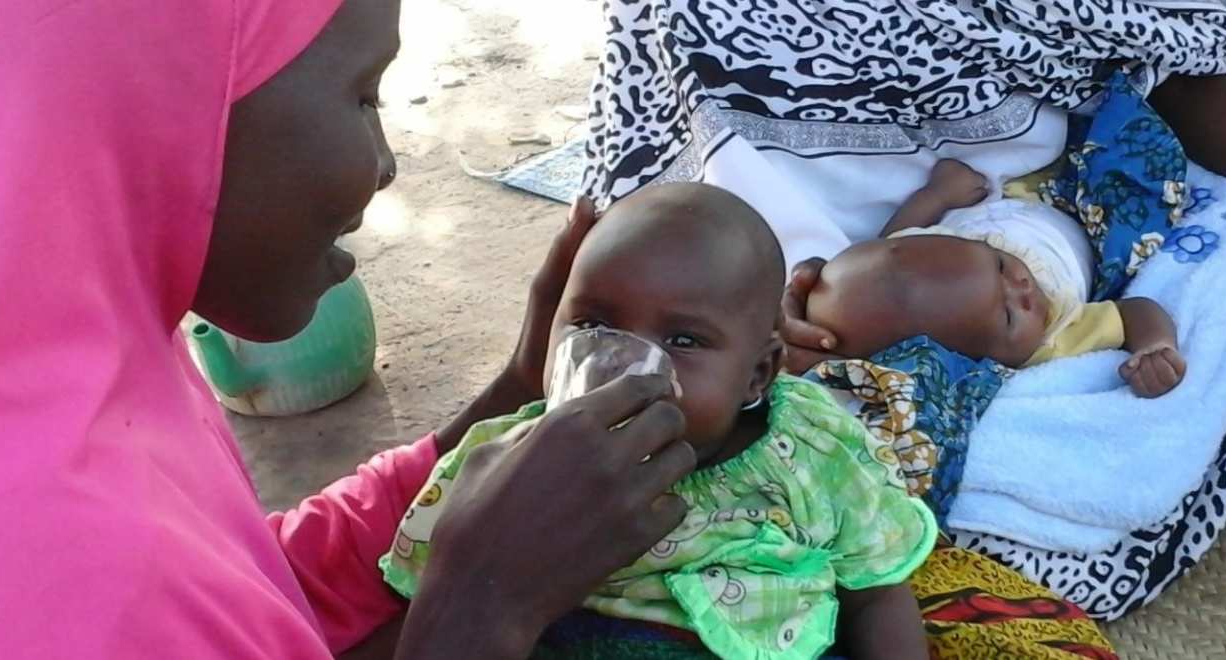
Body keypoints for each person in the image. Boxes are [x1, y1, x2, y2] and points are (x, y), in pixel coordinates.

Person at [577, 0, 1226, 619]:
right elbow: (628, 177)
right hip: (790, 300)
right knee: (748, 465)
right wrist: (742, 312)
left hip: (1053, 211)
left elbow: (1171, 75)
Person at [0, 1, 700, 657]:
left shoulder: (65, 364)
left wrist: (508, 401)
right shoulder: (60, 578)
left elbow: (248, 592)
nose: (385, 163)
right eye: (363, 93)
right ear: (167, 101)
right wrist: (478, 610)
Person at [378, 183, 936, 660]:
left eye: (684, 340)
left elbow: (876, 590)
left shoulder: (814, 453)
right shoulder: (503, 471)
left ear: (757, 373)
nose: (626, 367)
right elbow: (432, 608)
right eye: (593, 324)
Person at [806, 159, 1189, 398]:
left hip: (999, 210)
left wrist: (937, 197)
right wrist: (1156, 345)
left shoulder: (951, 259)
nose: (1022, 284)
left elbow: (895, 241)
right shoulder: (1055, 336)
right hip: (1079, 224)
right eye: (1008, 315)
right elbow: (1134, 311)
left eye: (1002, 267)